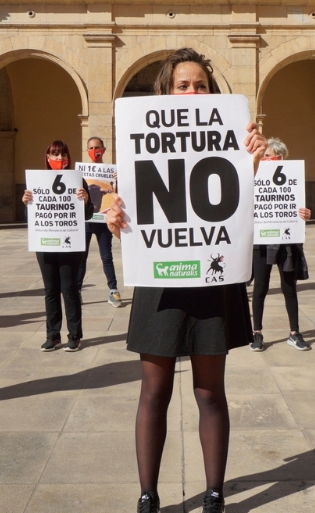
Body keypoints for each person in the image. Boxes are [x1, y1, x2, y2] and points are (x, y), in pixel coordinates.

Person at [106, 48, 267, 513]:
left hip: (214, 277)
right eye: (183, 85)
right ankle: (148, 495)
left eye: (200, 85)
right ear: (166, 91)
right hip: (160, 278)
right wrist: (112, 211)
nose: (193, 92)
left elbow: (245, 203)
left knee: (209, 391)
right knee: (154, 391)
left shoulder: (236, 139)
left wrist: (253, 161)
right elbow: (123, 194)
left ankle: (215, 493)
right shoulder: (140, 134)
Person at [23, 141, 94, 353]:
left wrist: (86, 200)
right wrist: (26, 202)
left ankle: (74, 336)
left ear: (68, 159)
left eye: (63, 155)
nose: (59, 159)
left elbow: (88, 214)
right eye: (55, 155)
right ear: (47, 157)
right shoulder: (36, 182)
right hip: (45, 243)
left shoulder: (77, 180)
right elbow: (32, 217)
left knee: (70, 290)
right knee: (50, 290)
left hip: (70, 243)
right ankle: (52, 336)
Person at [249, 137, 312, 352]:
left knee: (289, 288)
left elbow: (298, 206)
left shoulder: (293, 177)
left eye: (267, 156)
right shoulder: (252, 176)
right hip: (261, 241)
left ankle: (295, 333)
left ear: (280, 157)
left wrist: (305, 213)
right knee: (260, 288)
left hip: (286, 242)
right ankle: (256, 332)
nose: (264, 160)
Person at [76, 136, 123, 308]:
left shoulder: (111, 172)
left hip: (104, 221)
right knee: (82, 258)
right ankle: (77, 290)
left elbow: (113, 192)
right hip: (87, 220)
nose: (94, 150)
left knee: (107, 257)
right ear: (87, 151)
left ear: (103, 150)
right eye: (90, 148)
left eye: (97, 147)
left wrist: (119, 180)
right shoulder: (81, 175)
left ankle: (113, 290)